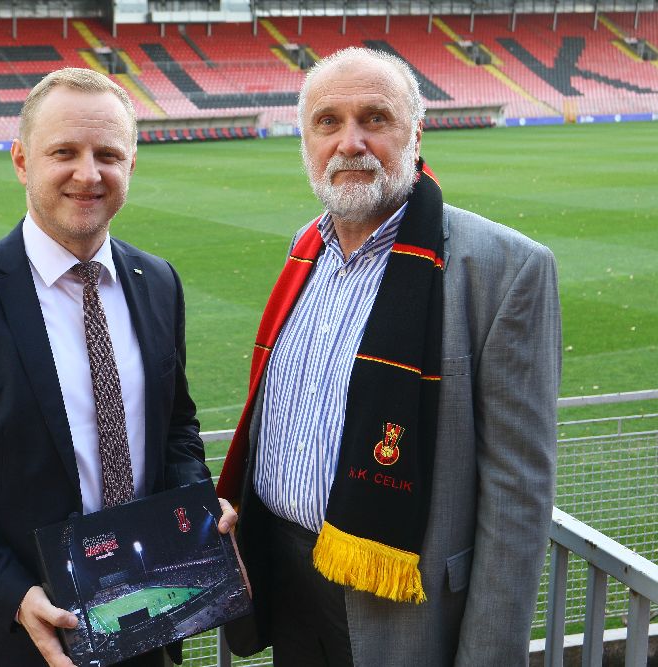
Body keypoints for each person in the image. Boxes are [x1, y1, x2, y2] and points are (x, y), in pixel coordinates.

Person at [0, 67, 236, 667]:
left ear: (132, 163)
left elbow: (175, 426)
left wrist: (196, 509)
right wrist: (13, 595)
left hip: (141, 628)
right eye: (64, 152)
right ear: (22, 161)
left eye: (108, 154)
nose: (88, 174)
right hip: (4, 638)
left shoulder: (157, 281)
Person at [216, 47, 562, 666]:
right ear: (305, 140)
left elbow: (517, 495)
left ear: (416, 133)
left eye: (375, 119)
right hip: (284, 574)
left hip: (402, 606)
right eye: (328, 122)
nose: (349, 143)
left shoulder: (505, 269)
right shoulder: (305, 248)